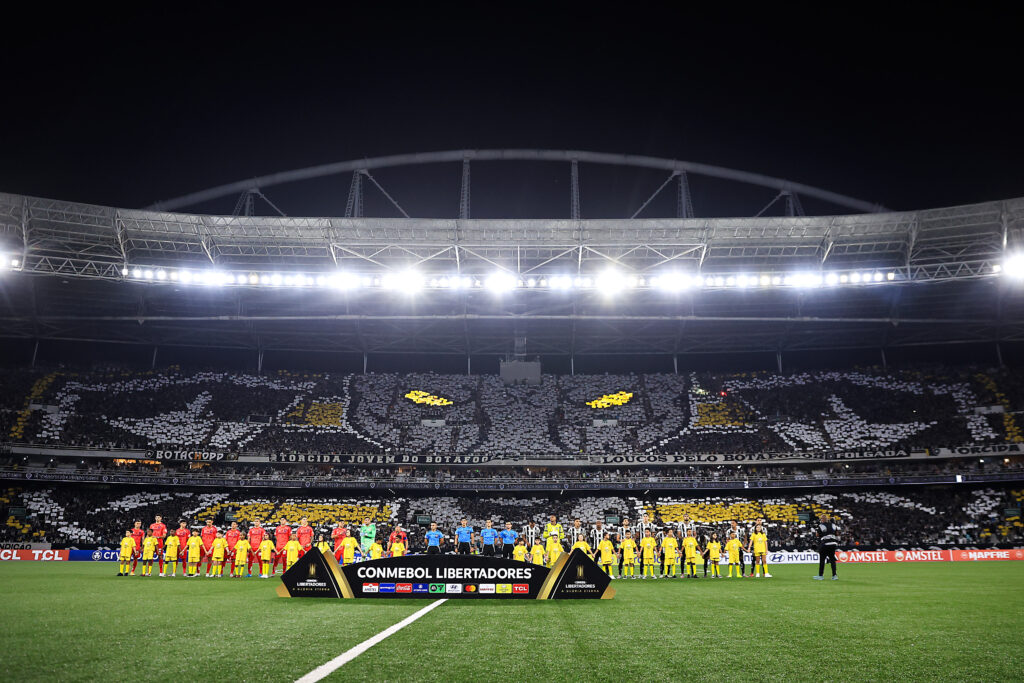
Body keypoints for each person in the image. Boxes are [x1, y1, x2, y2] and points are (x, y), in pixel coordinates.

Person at [813, 513, 840, 581]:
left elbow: (817, 535)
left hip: (825, 544)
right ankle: (834, 575)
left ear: (822, 519)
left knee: (822, 559)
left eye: (821, 519)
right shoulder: (834, 525)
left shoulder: (821, 526)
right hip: (833, 543)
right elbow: (837, 534)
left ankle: (820, 575)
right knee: (832, 560)